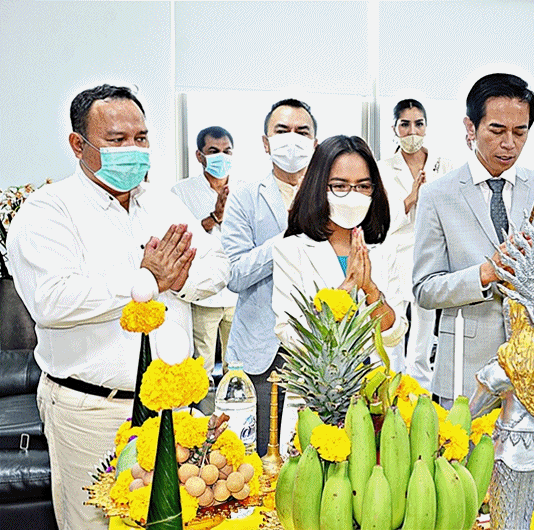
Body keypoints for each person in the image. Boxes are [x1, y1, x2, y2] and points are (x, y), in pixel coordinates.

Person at [6, 84, 229, 530]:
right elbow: (52, 299)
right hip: (92, 412)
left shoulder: (164, 203)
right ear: (78, 145)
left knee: (175, 522)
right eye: (117, 139)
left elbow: (217, 266)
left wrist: (175, 279)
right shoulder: (48, 211)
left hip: (171, 412)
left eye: (141, 138)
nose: (133, 149)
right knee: (94, 524)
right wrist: (145, 281)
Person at [413, 72, 534, 403]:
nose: (509, 143)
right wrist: (484, 274)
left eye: (520, 132)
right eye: (497, 130)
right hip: (465, 375)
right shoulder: (437, 195)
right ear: (470, 127)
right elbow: (425, 289)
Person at [273, 135, 408, 445]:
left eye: (363, 186)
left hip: (373, 397)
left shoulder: (384, 251)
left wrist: (369, 288)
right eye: (340, 186)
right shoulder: (291, 250)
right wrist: (344, 291)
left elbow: (393, 333)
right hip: (315, 400)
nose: (352, 196)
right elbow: (290, 332)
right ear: (319, 187)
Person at [221, 98, 317, 456]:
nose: (292, 139)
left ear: (315, 143)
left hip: (316, 345)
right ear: (266, 142)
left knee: (314, 452)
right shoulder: (245, 197)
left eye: (302, 132)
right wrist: (287, 238)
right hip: (261, 348)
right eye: (282, 130)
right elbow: (235, 274)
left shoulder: (331, 195)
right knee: (258, 452)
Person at [378, 98, 454, 385]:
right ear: (394, 129)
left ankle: (420, 389)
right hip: (395, 256)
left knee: (424, 330)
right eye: (405, 125)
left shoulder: (444, 166)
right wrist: (411, 199)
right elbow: (380, 222)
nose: (412, 132)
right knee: (393, 328)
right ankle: (392, 386)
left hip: (431, 256)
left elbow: (452, 213)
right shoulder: (382, 169)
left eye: (418, 124)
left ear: (426, 127)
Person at [171, 126, 239, 383]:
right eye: (213, 151)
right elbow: (179, 237)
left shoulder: (245, 190)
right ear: (199, 156)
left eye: (227, 151)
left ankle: (234, 407)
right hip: (202, 294)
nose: (221, 157)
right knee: (202, 366)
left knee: (237, 366)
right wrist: (214, 218)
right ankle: (202, 408)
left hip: (237, 293)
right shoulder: (181, 192)